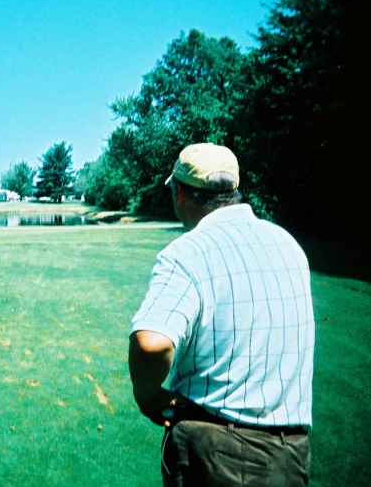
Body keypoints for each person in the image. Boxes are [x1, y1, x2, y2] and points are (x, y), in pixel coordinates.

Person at [128, 143, 314, 486]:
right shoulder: (288, 244)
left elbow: (151, 344)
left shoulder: (187, 253)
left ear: (180, 192)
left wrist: (149, 397)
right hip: (291, 457)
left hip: (216, 456)